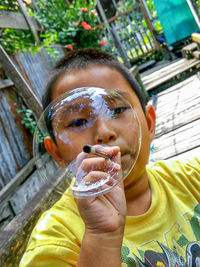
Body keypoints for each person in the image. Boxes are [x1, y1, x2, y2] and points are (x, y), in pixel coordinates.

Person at [20, 48, 200, 267]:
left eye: (116, 110)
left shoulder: (192, 178)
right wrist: (101, 237)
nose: (104, 132)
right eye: (77, 122)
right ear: (56, 152)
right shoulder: (55, 241)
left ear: (150, 124)